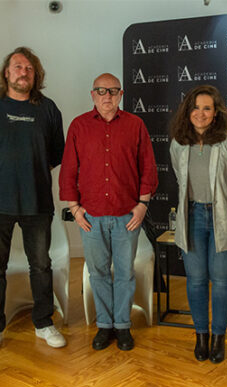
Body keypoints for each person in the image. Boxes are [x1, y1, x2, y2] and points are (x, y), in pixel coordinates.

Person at [0, 47, 66, 355]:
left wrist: (29, 175)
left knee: (41, 265)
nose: (24, 72)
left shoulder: (48, 109)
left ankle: (44, 323)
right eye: (18, 67)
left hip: (37, 202)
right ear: (6, 73)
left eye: (30, 68)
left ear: (36, 76)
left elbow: (55, 155)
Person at [59, 73, 158, 351]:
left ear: (121, 94)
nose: (107, 96)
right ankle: (104, 325)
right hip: (90, 217)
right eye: (101, 91)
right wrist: (75, 209)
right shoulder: (78, 126)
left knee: (125, 273)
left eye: (113, 91)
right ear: (93, 94)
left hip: (128, 215)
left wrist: (142, 205)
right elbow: (68, 169)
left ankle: (123, 326)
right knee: (98, 272)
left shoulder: (136, 125)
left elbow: (148, 167)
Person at [169, 85, 227, 364]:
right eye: (195, 107)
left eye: (207, 108)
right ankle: (201, 335)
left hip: (223, 219)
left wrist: (222, 202)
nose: (200, 113)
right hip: (191, 217)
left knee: (222, 281)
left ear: (215, 113)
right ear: (187, 112)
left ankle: (218, 337)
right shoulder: (179, 143)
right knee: (195, 281)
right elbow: (182, 182)